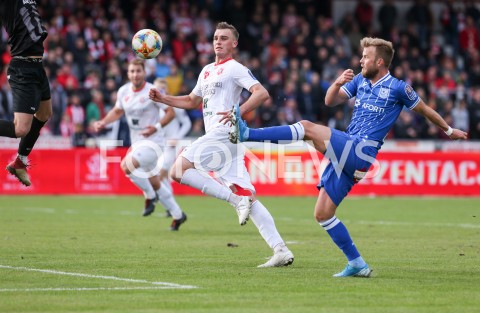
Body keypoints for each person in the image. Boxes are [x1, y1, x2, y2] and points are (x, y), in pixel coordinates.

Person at [229, 37, 468, 276]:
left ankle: (247, 133)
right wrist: (336, 83)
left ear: (380, 61)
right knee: (322, 214)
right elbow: (329, 101)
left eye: (366, 57)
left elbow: (424, 109)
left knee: (306, 127)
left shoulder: (398, 87)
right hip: (347, 152)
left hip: (361, 150)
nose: (361, 60)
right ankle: (357, 264)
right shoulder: (360, 82)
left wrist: (449, 131)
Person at [149, 22, 294, 268]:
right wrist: (164, 98)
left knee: (178, 170)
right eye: (216, 37)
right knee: (249, 195)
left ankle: (236, 202)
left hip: (225, 132)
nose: (218, 41)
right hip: (228, 141)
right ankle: (281, 250)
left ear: (234, 44)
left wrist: (238, 111)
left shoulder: (235, 68)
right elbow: (191, 100)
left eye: (224, 38)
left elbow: (261, 93)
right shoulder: (206, 71)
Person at [94, 59, 187, 231]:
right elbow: (117, 111)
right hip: (137, 143)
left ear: (144, 72)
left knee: (126, 165)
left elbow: (171, 113)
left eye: (138, 71)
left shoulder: (152, 91)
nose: (135, 74)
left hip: (154, 143)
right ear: (128, 74)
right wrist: (103, 122)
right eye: (132, 71)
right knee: (155, 181)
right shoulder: (123, 91)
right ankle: (178, 214)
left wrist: (156, 127)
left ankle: (150, 196)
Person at [0, 1, 52, 186]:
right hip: (22, 68)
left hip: (37, 67)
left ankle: (20, 162)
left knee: (44, 113)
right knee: (21, 129)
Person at [153, 78, 192, 218]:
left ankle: (167, 205)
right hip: (158, 145)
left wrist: (177, 137)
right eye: (157, 88)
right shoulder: (152, 106)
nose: (160, 91)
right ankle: (171, 208)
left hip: (171, 146)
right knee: (162, 178)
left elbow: (187, 123)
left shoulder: (173, 105)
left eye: (162, 89)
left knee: (160, 175)